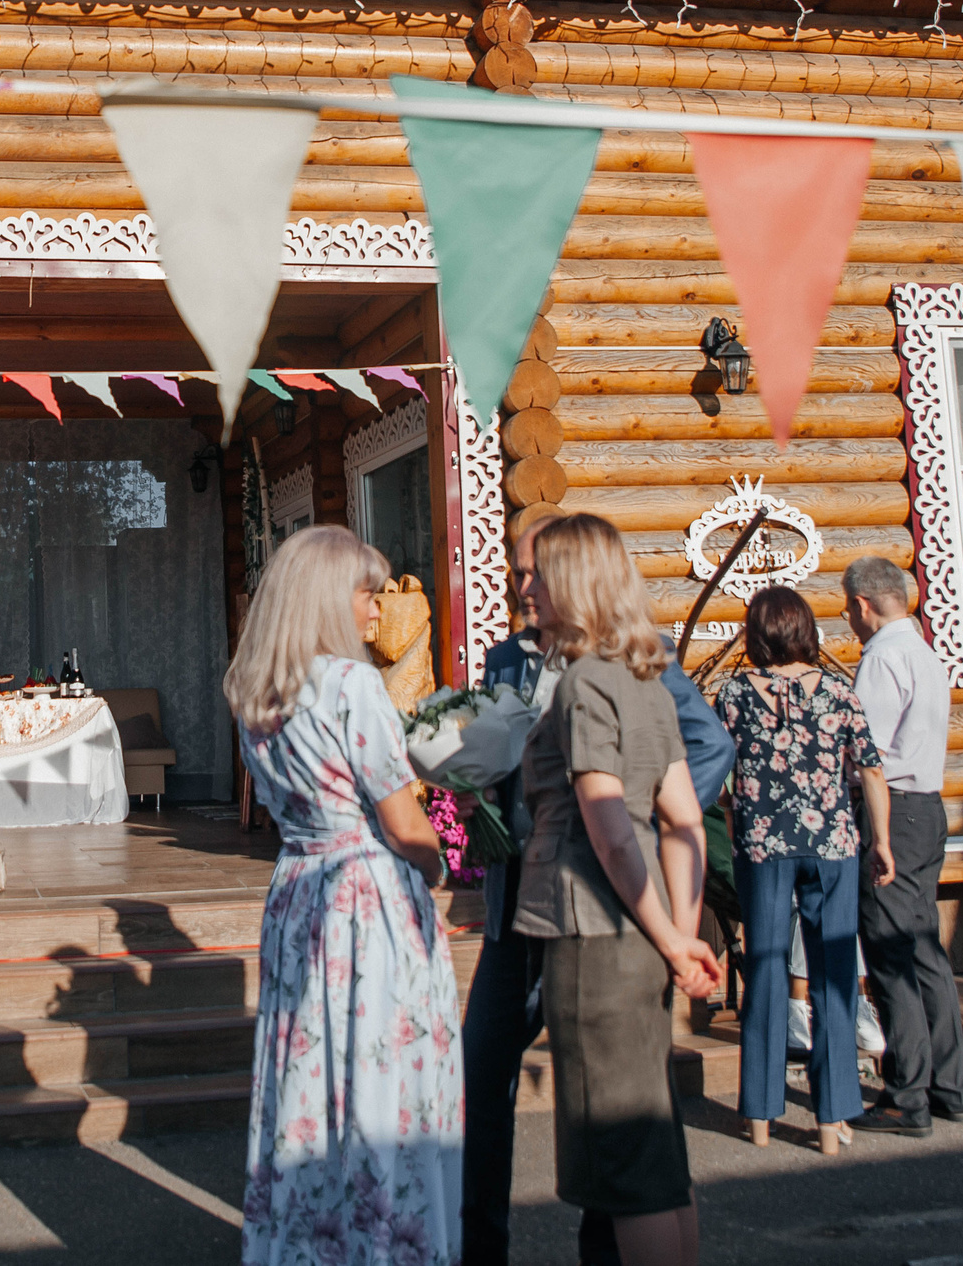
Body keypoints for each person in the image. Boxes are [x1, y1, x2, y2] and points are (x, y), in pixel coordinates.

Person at [463, 509, 730, 1266]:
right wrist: (680, 934)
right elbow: (682, 820)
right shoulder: (626, 670)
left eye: (537, 573)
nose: (523, 588)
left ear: (574, 580)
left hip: (591, 920)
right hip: (603, 916)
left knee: (619, 1160)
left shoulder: (589, 680)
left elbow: (613, 825)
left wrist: (674, 936)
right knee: (651, 1152)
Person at [231, 524, 461, 1266]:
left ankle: (305, 1241)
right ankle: (382, 1241)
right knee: (378, 1072)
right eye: (369, 593)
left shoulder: (256, 692)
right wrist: (439, 867)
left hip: (298, 887)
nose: (378, 608)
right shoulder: (352, 685)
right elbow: (402, 821)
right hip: (364, 897)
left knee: (305, 1071)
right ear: (331, 598)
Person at [715, 584, 892, 1155]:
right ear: (805, 631)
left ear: (757, 634)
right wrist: (882, 841)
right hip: (832, 844)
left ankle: (760, 1116)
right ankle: (832, 1118)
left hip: (763, 846)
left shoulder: (734, 694)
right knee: (833, 976)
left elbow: (715, 769)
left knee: (766, 970)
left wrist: (734, 808)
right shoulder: (839, 691)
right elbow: (870, 769)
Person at [843, 556, 963, 1136]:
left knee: (891, 952)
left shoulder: (881, 659)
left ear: (863, 604)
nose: (849, 618)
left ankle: (907, 1094)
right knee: (923, 948)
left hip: (890, 809)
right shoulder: (923, 652)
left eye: (849, 608)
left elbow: (866, 754)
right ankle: (950, 1085)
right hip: (927, 805)